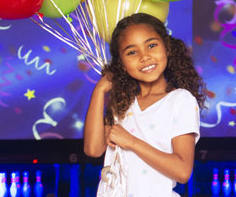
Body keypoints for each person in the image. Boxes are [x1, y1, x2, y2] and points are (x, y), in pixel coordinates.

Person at [84, 13, 206, 196]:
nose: (144, 57)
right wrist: (100, 90)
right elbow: (93, 150)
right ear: (122, 64)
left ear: (167, 48)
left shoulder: (181, 100)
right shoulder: (123, 102)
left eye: (151, 46)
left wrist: (131, 141)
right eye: (132, 52)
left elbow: (182, 172)